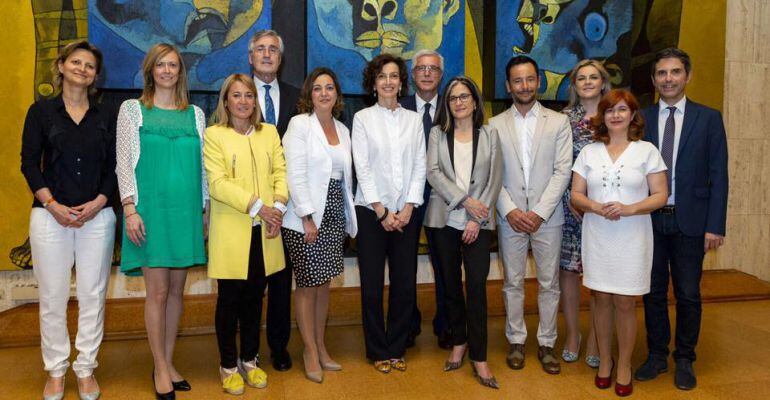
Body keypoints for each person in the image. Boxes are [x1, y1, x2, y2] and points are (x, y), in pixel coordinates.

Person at [21, 40, 115, 400]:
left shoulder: (106, 114)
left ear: (95, 75)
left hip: (98, 216)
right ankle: (56, 371)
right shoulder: (41, 112)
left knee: (93, 295)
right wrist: (52, 204)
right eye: (76, 62)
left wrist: (99, 202)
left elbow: (116, 166)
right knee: (53, 297)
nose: (82, 69)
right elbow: (29, 163)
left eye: (89, 65)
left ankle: (86, 369)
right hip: (49, 217)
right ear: (61, 66)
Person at [116, 43, 207, 400]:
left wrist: (203, 211)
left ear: (180, 72)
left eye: (173, 65)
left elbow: (202, 169)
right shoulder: (132, 110)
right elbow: (124, 163)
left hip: (185, 214)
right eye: (161, 65)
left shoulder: (196, 114)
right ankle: (159, 368)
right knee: (156, 292)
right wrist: (130, 208)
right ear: (150, 70)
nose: (167, 70)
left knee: (175, 293)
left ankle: (166, 362)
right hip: (149, 213)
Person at [635, 47, 729, 391]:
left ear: (687, 76)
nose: (668, 79)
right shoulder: (640, 119)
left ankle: (685, 357)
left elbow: (719, 175)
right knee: (653, 292)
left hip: (691, 219)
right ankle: (657, 354)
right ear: (654, 79)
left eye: (675, 72)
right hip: (650, 220)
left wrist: (715, 224)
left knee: (688, 293)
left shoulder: (709, 118)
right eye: (662, 73)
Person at [570, 89, 668, 397]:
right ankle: (605, 361)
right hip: (598, 232)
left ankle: (624, 364)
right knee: (600, 298)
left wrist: (628, 208)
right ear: (603, 115)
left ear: (633, 115)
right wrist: (597, 207)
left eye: (622, 110)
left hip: (632, 234)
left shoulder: (647, 151)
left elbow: (660, 195)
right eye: (610, 110)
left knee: (625, 301)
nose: (615, 115)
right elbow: (576, 194)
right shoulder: (589, 152)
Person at [203, 73, 288, 395]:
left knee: (256, 297)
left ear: (256, 101)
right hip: (233, 229)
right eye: (236, 96)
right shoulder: (214, 135)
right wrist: (258, 206)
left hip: (266, 230)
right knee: (229, 301)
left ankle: (249, 359)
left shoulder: (269, 133)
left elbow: (281, 171)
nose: (243, 102)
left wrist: (278, 206)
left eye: (249, 96)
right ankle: (227, 365)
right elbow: (218, 183)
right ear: (226, 101)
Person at [489, 55, 572, 375]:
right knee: (512, 282)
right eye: (517, 80)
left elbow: (562, 171)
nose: (524, 86)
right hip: (509, 217)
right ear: (508, 86)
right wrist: (509, 210)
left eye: (529, 79)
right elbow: (491, 174)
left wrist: (538, 212)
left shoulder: (558, 122)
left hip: (547, 218)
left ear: (539, 81)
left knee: (549, 283)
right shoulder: (493, 125)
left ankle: (547, 343)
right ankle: (516, 340)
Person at [424, 76, 503, 388]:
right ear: (447, 103)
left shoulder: (490, 134)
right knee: (450, 286)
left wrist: (476, 217)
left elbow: (495, 177)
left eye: (464, 96)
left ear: (474, 101)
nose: (459, 102)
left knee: (477, 288)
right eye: (453, 98)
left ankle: (480, 357)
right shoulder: (436, 134)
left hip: (477, 223)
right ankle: (459, 342)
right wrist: (464, 201)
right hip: (444, 219)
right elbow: (433, 172)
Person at [282, 67, 358, 383]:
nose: (324, 93)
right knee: (307, 283)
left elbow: (345, 177)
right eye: (317, 88)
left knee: (324, 282)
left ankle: (322, 346)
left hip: (335, 210)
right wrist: (306, 215)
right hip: (307, 214)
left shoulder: (343, 128)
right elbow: (294, 172)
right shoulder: (300, 125)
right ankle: (309, 350)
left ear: (337, 94)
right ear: (309, 95)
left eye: (329, 87)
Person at [352, 54, 426, 373]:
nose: (388, 82)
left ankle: (396, 347)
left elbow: (420, 164)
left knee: (404, 284)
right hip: (371, 212)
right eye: (381, 76)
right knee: (371, 284)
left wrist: (409, 206)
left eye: (394, 76)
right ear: (373, 82)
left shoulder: (413, 119)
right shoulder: (363, 118)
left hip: (406, 214)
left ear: (401, 82)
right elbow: (363, 167)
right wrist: (382, 210)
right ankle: (377, 349)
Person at [248, 29, 300, 371]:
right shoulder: (236, 93)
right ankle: (246, 351)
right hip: (248, 208)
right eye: (261, 50)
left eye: (273, 50)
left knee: (282, 281)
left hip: (288, 206)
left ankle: (279, 347)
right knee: (249, 284)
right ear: (251, 57)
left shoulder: (299, 97)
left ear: (280, 59)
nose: (267, 55)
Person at [558, 59, 611, 367]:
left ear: (603, 82)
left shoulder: (617, 114)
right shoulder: (563, 119)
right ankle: (573, 335)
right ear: (574, 85)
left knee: (600, 276)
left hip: (606, 211)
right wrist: (574, 201)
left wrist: (596, 205)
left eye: (594, 77)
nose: (588, 82)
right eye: (581, 78)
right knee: (568, 272)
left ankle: (595, 337)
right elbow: (558, 163)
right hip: (570, 208)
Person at [399, 49, 451, 349]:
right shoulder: (399, 106)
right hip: (407, 197)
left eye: (433, 68)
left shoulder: (455, 105)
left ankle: (446, 325)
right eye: (421, 69)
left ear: (441, 75)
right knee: (404, 265)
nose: (427, 73)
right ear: (413, 74)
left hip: (443, 198)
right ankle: (407, 323)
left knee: (444, 264)